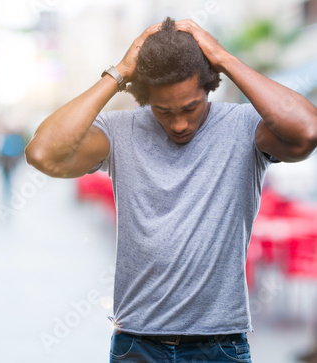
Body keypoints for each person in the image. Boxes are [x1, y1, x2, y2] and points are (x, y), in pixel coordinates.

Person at [25, 17, 317, 362]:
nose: (179, 124)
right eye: (164, 111)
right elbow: (42, 153)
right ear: (145, 97)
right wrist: (119, 72)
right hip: (137, 343)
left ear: (208, 88)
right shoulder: (119, 132)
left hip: (219, 346)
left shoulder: (243, 127)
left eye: (190, 108)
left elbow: (307, 131)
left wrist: (223, 58)